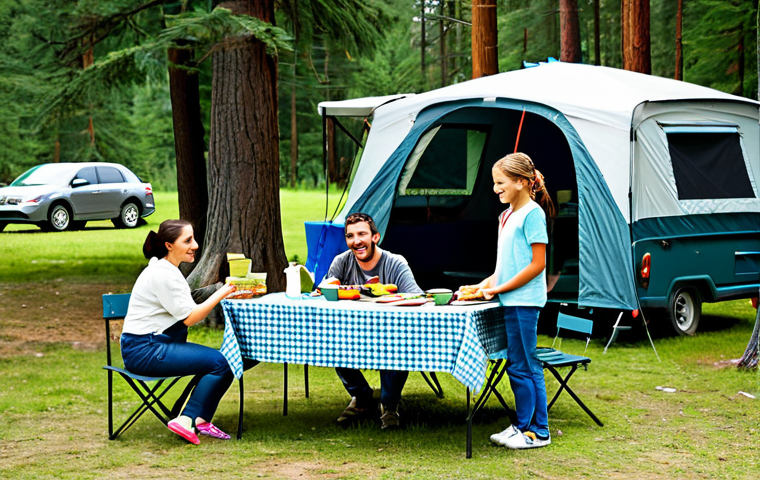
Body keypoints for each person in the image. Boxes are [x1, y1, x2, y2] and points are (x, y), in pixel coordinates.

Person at [459, 152, 555, 449]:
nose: (495, 188)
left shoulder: (533, 214)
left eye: (500, 182)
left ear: (522, 182)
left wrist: (498, 289)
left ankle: (538, 432)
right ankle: (521, 425)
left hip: (525, 301)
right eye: (495, 183)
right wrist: (481, 285)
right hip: (510, 300)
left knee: (526, 365)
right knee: (516, 364)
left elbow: (537, 264)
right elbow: (505, 267)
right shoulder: (506, 215)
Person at [120, 219, 238, 445]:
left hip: (153, 345)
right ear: (169, 245)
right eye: (187, 240)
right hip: (145, 351)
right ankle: (188, 419)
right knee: (220, 363)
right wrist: (223, 291)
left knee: (220, 362)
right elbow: (191, 317)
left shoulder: (165, 269)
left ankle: (200, 420)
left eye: (193, 238)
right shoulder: (163, 274)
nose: (195, 245)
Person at [326, 212, 423, 429]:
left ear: (375, 237)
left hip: (392, 333)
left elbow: (416, 297)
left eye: (362, 234)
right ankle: (361, 399)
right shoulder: (341, 262)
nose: (356, 241)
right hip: (351, 332)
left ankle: (389, 406)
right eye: (350, 236)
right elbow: (327, 296)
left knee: (396, 347)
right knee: (330, 342)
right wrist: (326, 290)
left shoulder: (395, 263)